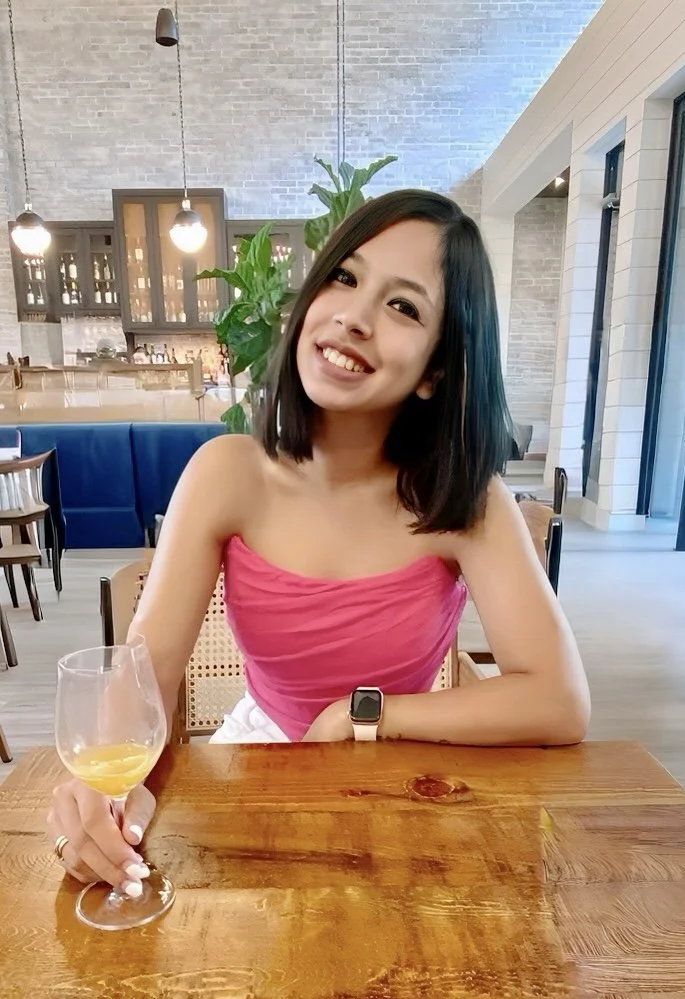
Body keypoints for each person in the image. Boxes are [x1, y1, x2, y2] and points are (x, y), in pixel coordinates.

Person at [47, 189, 590, 892]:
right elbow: (144, 671)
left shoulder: (465, 498)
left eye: (403, 307)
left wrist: (365, 713)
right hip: (258, 772)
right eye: (344, 276)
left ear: (436, 370)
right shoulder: (227, 472)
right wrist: (104, 786)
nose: (354, 317)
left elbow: (560, 701)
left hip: (404, 782)